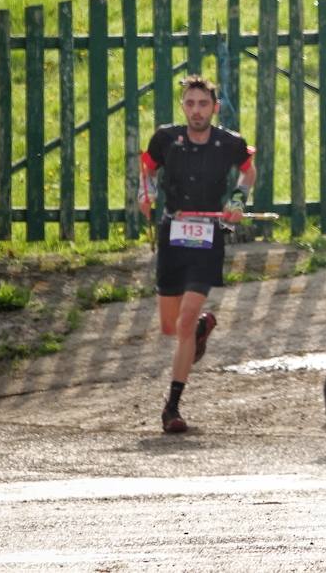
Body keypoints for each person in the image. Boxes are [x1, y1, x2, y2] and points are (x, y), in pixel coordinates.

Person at [138, 75, 255, 435]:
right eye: (190, 103)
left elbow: (248, 173)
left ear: (215, 108)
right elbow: (148, 169)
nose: (196, 111)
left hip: (207, 235)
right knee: (172, 327)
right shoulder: (165, 139)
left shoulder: (229, 143)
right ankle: (204, 326)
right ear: (183, 106)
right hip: (173, 232)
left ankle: (172, 407)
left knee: (184, 322)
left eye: (203, 104)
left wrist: (237, 200)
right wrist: (147, 194)